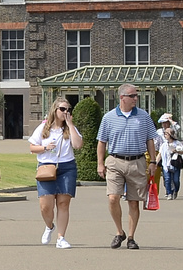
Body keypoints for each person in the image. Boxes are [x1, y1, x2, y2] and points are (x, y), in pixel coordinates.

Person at [96, 83, 161, 250]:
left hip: (137, 161)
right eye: (132, 96)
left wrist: (153, 161)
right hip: (115, 161)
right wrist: (100, 163)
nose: (135, 99)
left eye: (136, 96)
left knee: (134, 202)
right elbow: (102, 142)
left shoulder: (143, 116)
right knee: (113, 198)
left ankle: (131, 237)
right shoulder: (108, 117)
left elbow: (150, 140)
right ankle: (119, 232)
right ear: (122, 97)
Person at [30, 96, 83, 248]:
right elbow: (32, 148)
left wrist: (70, 124)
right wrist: (45, 148)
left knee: (63, 203)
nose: (65, 112)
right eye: (62, 109)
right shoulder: (43, 128)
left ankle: (61, 238)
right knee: (45, 205)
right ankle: (49, 226)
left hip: (67, 167)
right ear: (55, 110)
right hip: (46, 167)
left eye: (68, 109)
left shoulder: (69, 128)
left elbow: (78, 145)